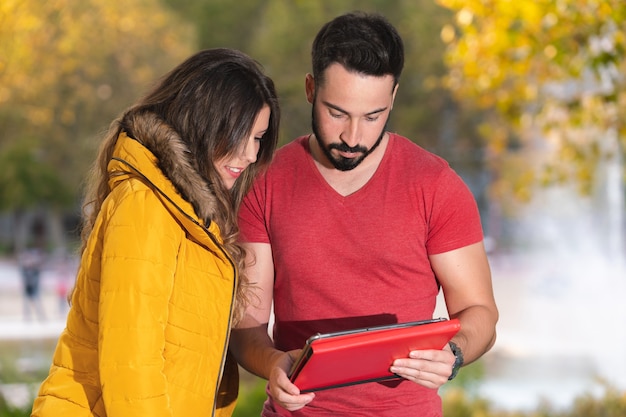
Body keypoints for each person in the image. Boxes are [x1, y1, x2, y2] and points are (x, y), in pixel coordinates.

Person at [230, 11, 498, 417]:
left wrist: (454, 354)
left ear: (392, 98)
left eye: (372, 116)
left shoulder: (436, 185)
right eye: (337, 113)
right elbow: (246, 325)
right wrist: (273, 364)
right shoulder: (263, 183)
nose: (353, 138)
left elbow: (480, 312)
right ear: (310, 88)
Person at [31, 48, 280, 417]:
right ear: (204, 122)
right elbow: (131, 363)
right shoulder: (145, 204)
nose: (249, 155)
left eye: (258, 138)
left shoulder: (195, 215)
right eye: (240, 134)